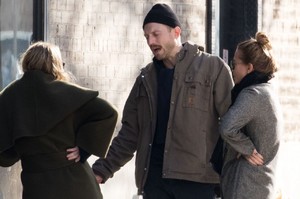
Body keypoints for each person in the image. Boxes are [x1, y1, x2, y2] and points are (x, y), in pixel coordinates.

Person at [92, 3, 234, 199]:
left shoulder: (212, 67)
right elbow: (130, 133)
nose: (150, 41)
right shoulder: (145, 79)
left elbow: (232, 120)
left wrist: (236, 169)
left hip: (197, 182)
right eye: (146, 36)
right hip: (154, 182)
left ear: (176, 32)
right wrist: (102, 169)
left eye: (156, 34)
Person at [0, 41, 118, 199]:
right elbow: (109, 112)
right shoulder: (67, 93)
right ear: (55, 64)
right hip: (77, 184)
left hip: (36, 187)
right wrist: (84, 148)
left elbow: (6, 153)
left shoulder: (9, 96)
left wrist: (24, 149)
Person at [219, 32, 282, 199]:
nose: (232, 69)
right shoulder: (269, 90)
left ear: (249, 67)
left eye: (235, 64)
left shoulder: (253, 94)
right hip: (262, 185)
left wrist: (247, 149)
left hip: (246, 187)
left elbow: (226, 127)